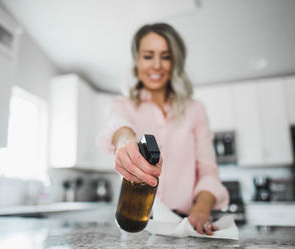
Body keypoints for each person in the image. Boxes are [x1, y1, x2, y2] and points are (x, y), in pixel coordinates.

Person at [98, 23, 229, 235]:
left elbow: (208, 172)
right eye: (148, 56)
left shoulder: (195, 110)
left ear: (175, 62)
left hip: (187, 224)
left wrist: (201, 211)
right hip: (136, 225)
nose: (157, 65)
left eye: (166, 56)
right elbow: (118, 126)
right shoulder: (121, 105)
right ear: (137, 61)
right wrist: (125, 141)